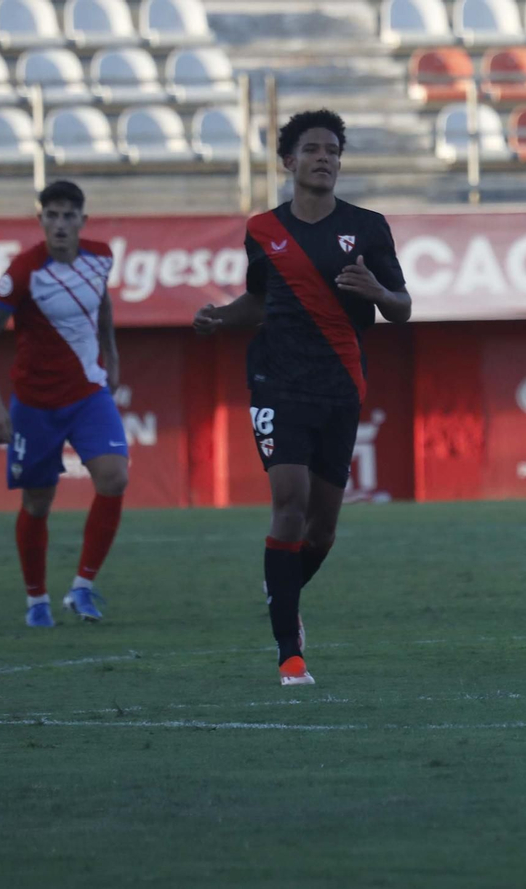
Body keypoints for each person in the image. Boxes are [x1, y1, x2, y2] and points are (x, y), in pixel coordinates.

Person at [193, 110, 411, 687]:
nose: (325, 158)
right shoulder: (262, 228)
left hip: (340, 383)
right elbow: (260, 302)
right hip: (275, 379)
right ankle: (291, 653)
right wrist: (221, 317)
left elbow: (403, 306)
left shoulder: (368, 226)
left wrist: (377, 290)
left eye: (334, 150)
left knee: (321, 532)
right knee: (286, 501)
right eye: (313, 149)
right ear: (288, 161)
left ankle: (280, 588)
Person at [0, 180, 128, 628]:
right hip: (35, 403)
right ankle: (36, 599)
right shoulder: (22, 271)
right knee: (38, 502)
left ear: (82, 221)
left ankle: (82, 587)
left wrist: (111, 354)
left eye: (68, 216)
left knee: (114, 477)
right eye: (51, 216)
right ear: (40, 220)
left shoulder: (101, 257)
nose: (60, 224)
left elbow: (101, 304)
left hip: (88, 393)